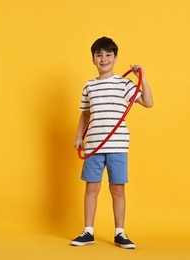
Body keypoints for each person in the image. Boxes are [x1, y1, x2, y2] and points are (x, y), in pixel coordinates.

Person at [71, 36, 154, 249]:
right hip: (94, 146)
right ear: (93, 59)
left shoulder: (124, 83)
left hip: (117, 146)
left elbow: (148, 102)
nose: (103, 59)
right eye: (99, 55)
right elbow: (85, 113)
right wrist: (79, 136)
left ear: (116, 58)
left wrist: (140, 77)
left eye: (108, 55)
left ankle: (120, 233)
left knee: (117, 189)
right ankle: (88, 231)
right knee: (92, 187)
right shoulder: (89, 86)